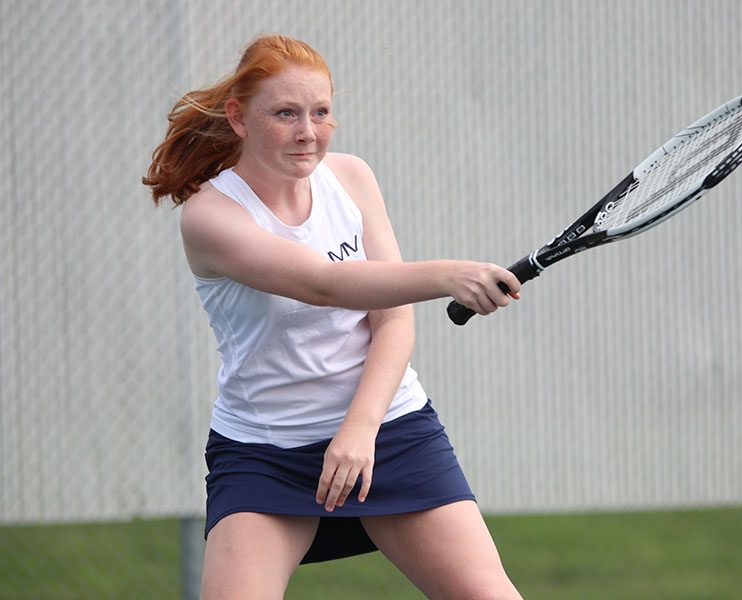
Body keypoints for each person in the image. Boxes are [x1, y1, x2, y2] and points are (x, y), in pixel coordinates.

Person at [143, 34, 523, 599]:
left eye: (321, 112)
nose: (308, 131)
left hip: (389, 431)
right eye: (286, 114)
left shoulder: (351, 177)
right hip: (266, 452)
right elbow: (324, 284)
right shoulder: (210, 217)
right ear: (239, 117)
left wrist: (360, 429)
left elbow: (391, 319)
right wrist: (451, 274)